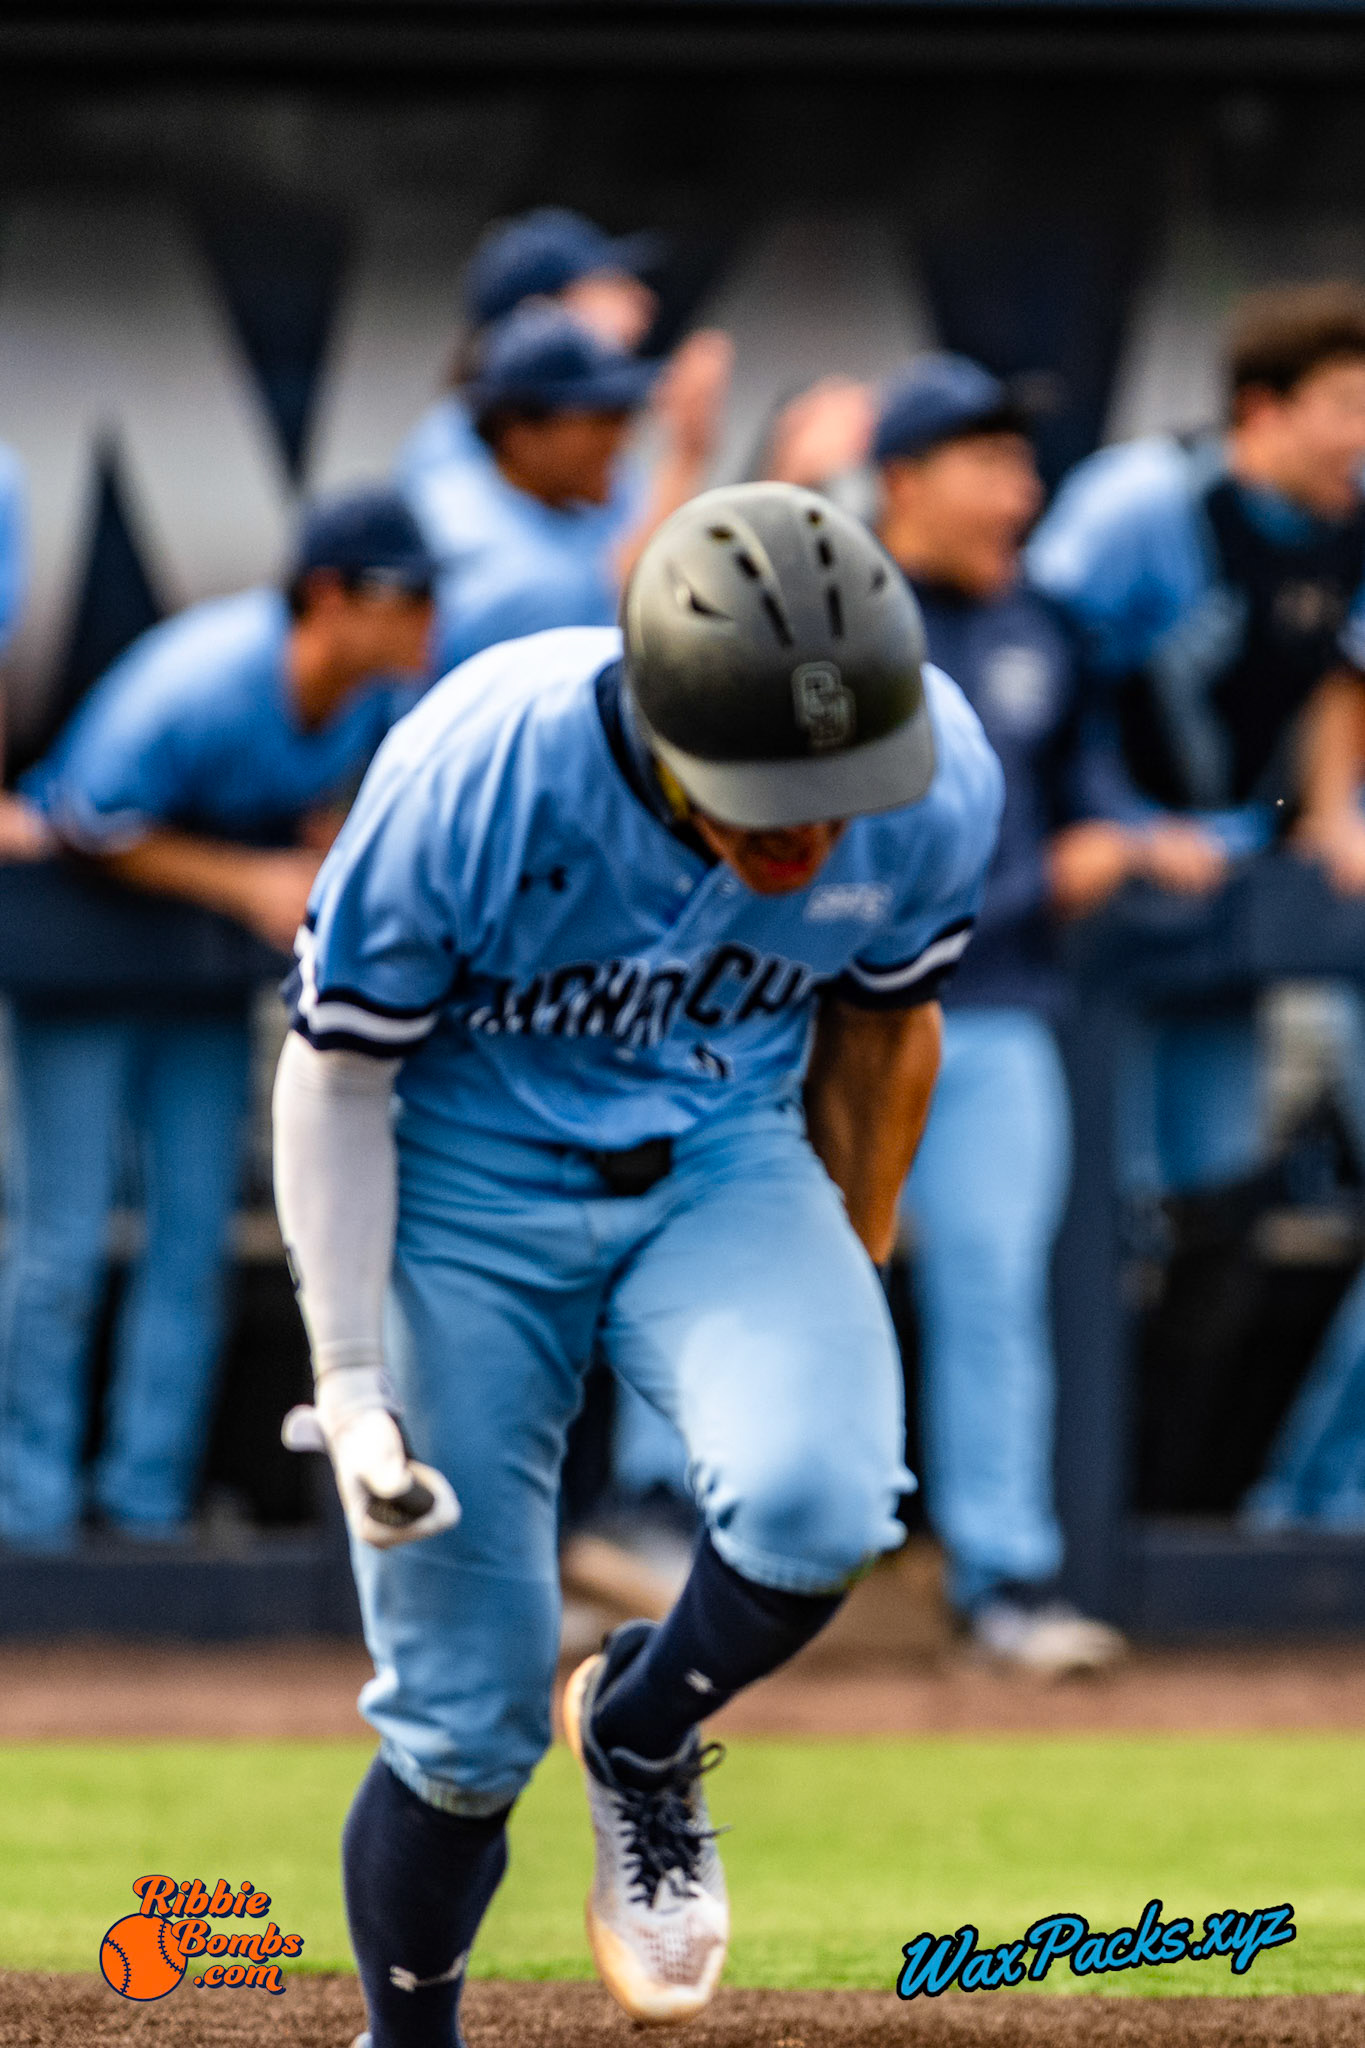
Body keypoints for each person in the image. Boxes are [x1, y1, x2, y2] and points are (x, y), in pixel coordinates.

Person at [271, 481, 1002, 2045]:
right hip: (463, 1179)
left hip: (722, 1155)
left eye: (842, 782)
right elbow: (336, 1066)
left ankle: (643, 1726)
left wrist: (840, 1302)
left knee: (825, 1496)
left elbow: (885, 1028)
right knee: (460, 1722)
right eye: (765, 788)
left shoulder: (938, 785)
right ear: (661, 727)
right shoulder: (483, 765)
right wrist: (343, 1375)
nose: (812, 831)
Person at [0, 489, 436, 1552]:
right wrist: (245, 880)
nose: (427, 616)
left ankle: (146, 1508)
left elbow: (327, 815)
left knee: (193, 1240)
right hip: (82, 953)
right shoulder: (205, 675)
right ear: (330, 597)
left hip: (195, 977)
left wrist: (301, 864)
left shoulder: (376, 696)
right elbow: (88, 820)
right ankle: (31, 1516)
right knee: (61, 1238)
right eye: (406, 596)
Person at [1028, 280, 1365, 1194]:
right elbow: (1035, 679)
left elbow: (1343, 675)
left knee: (1210, 1179)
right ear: (1262, 410)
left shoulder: (1351, 522)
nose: (1361, 437)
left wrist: (1332, 816)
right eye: (1344, 408)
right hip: (1109, 884)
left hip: (1239, 867)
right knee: (1099, 1183)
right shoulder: (1139, 503)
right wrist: (1123, 827)